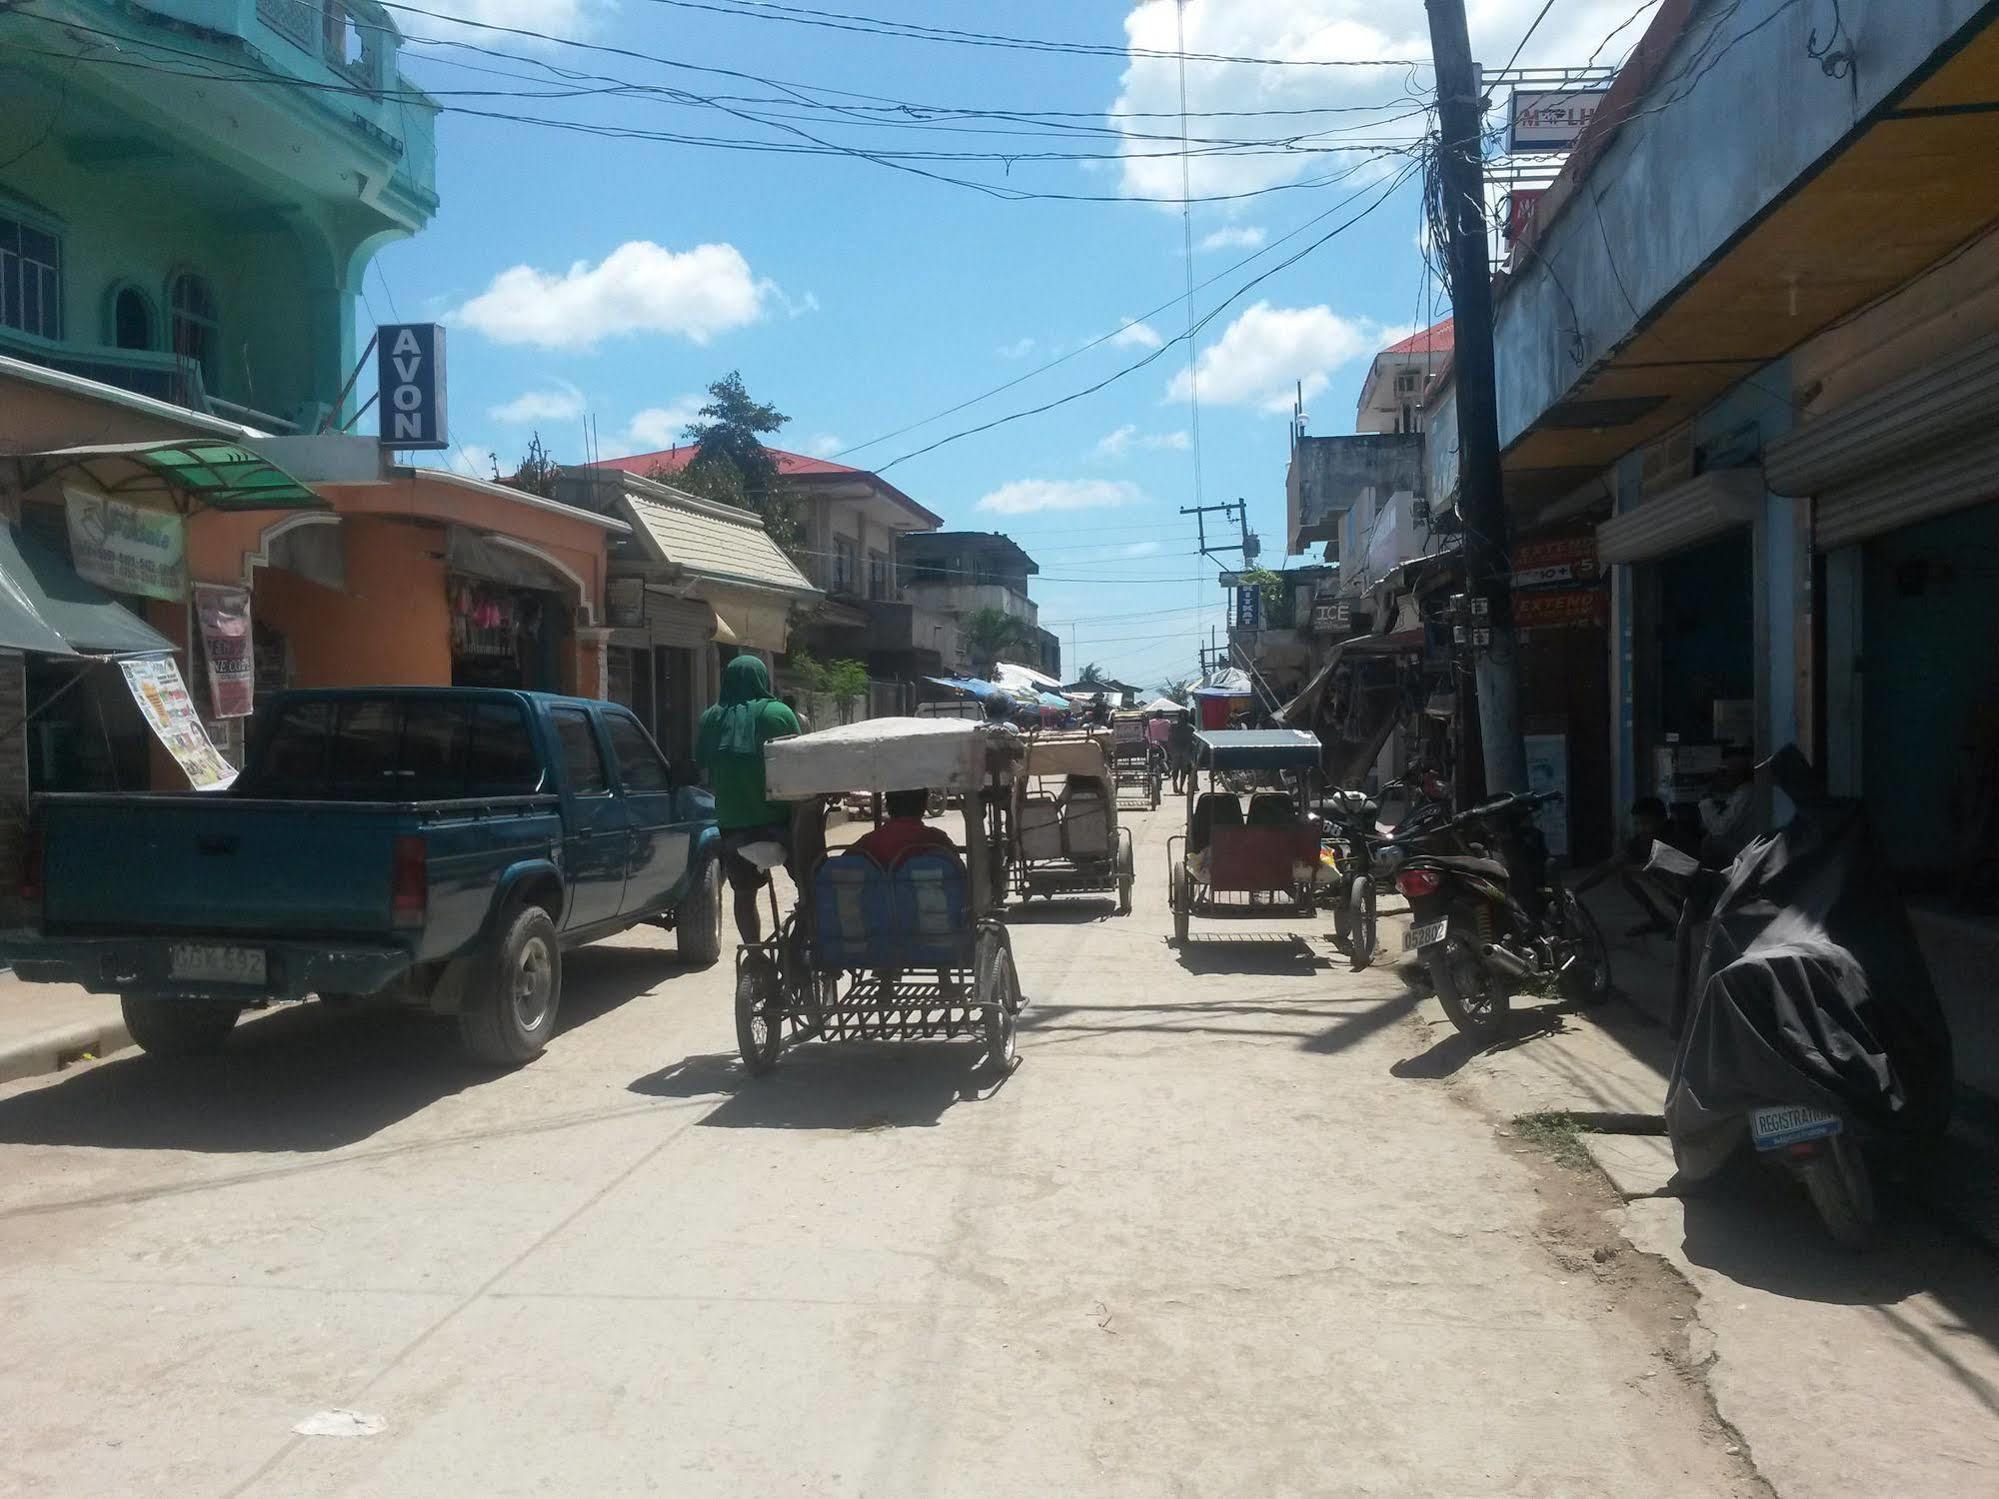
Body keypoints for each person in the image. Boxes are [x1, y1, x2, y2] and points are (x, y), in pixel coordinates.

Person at [695, 654, 801, 946]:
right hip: (781, 823)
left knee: (743, 894)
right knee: (811, 882)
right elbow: (803, 763)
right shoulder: (779, 713)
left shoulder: (710, 719)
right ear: (762, 680)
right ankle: (805, 936)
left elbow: (700, 763)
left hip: (733, 827)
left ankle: (754, 956)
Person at [1576, 795, 1698, 938]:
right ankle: (1659, 920)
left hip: (1694, 889)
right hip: (1674, 884)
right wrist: (1577, 890)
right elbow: (1609, 866)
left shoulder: (1677, 835)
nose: (1641, 829)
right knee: (1627, 875)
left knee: (1651, 872)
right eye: (1637, 824)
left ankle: (1684, 922)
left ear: (1662, 819)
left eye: (1646, 823)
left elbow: (1688, 871)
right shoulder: (1641, 840)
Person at [851, 788, 957, 870]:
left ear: (887, 805)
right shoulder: (939, 841)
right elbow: (959, 875)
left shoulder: (868, 843)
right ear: (924, 805)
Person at [1700, 747, 1756, 861]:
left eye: (1724, 772)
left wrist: (1706, 799)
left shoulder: (1745, 794)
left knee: (1712, 842)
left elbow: (1719, 830)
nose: (1720, 776)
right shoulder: (1740, 792)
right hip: (1744, 850)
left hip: (1747, 855)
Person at [1167, 712, 1197, 794]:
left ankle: (1174, 782)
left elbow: (1170, 738)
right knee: (1184, 771)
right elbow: (1193, 741)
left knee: (1175, 769)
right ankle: (1181, 788)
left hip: (1175, 750)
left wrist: (1170, 750)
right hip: (1186, 751)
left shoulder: (1173, 726)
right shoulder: (1191, 728)